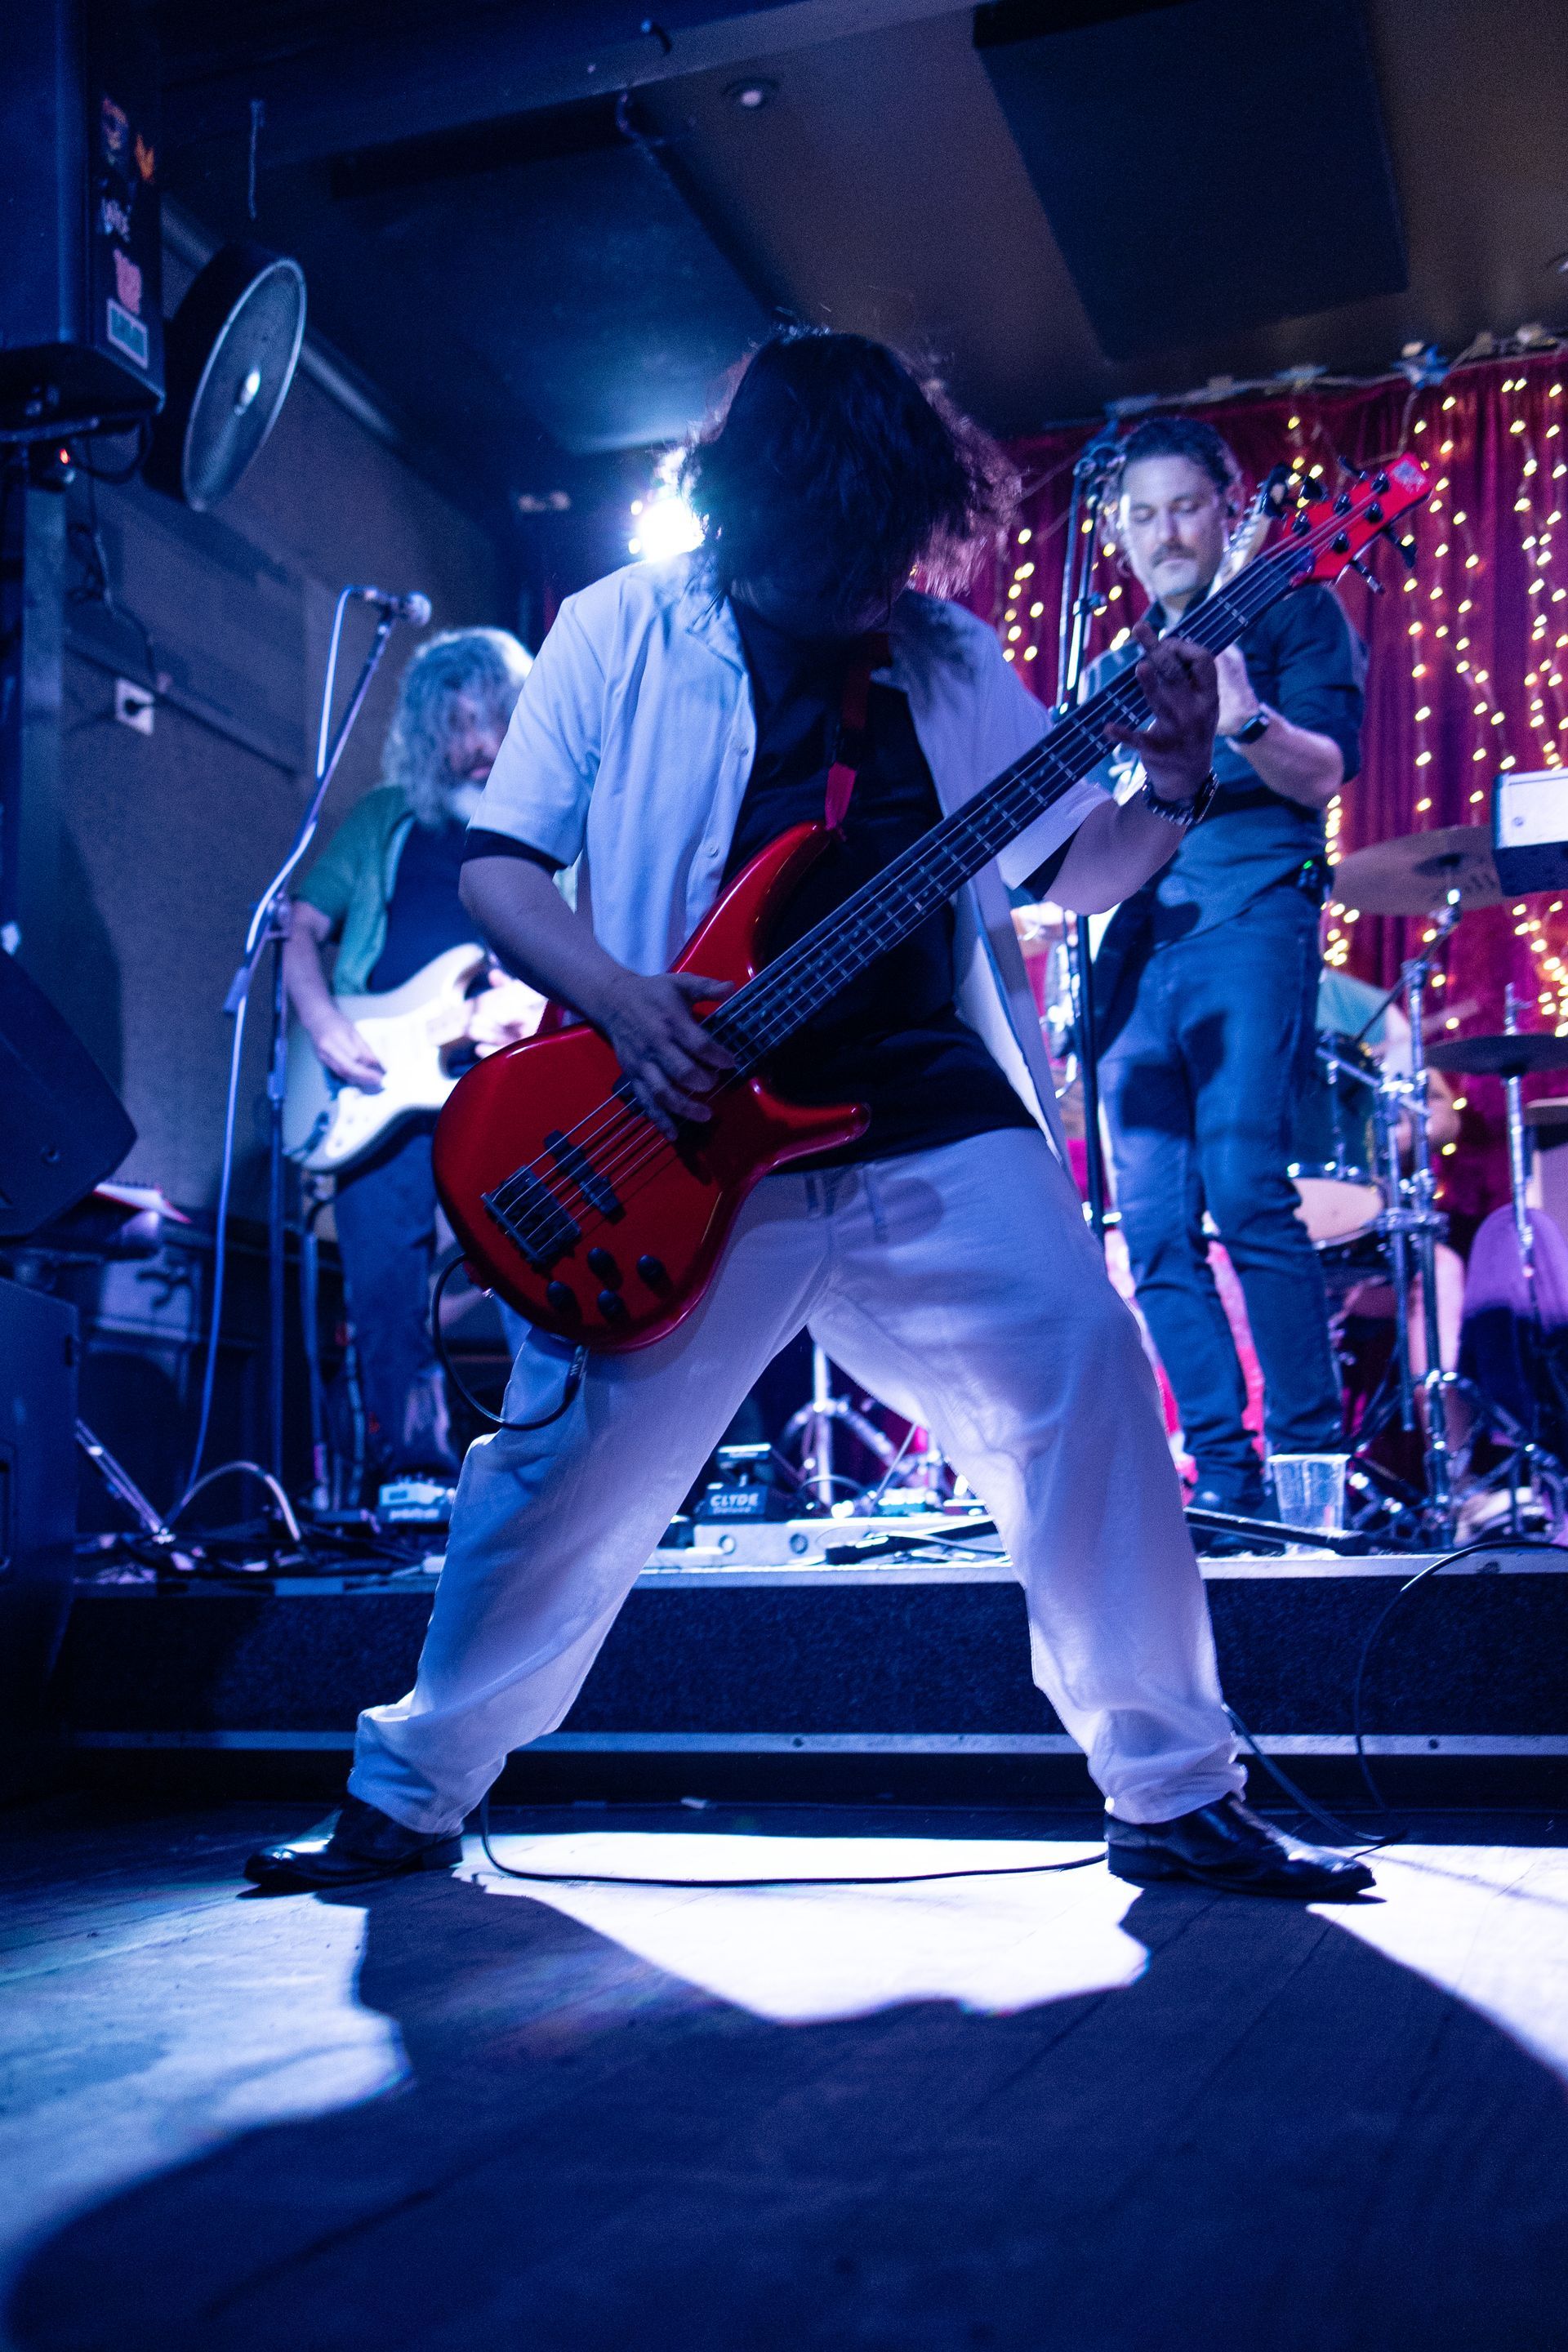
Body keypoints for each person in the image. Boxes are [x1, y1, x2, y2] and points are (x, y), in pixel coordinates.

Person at [250, 330, 1370, 1901]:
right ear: (748, 512)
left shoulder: (946, 656)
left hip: (924, 1114)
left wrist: (1176, 785)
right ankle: (408, 1793)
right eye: (833, 557)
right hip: (688, 1126)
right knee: (562, 1469)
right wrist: (628, 1001)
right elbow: (505, 868)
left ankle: (1176, 1790)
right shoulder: (618, 630)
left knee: (1088, 1368)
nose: (863, 589)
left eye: (885, 556)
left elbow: (1080, 875)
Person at [1088, 417, 1366, 1522]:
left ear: (1228, 507)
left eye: (1185, 507)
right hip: (1140, 945)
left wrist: (1244, 714)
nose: (1165, 532)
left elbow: (1324, 775)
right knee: (1150, 1231)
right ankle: (1224, 1482)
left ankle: (1307, 1488)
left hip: (1253, 915)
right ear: (1118, 533)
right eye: (1143, 514)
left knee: (1248, 1188)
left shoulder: (1295, 607)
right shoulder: (1113, 666)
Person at [284, 627, 537, 1480]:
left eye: (490, 721)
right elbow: (301, 928)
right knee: (384, 1297)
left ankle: (551, 1470)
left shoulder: (547, 831)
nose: (475, 744)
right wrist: (324, 1026)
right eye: (456, 726)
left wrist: (536, 1007)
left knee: (534, 1271)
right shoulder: (383, 817)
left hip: (501, 1085)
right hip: (373, 1087)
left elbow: (588, 949)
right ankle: (412, 1482)